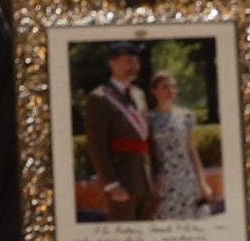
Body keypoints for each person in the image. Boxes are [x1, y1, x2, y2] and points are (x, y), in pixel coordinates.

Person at [83, 43, 155, 217]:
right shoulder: (99, 98)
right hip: (121, 181)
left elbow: (147, 139)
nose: (134, 66)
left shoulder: (139, 94)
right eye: (128, 61)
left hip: (145, 179)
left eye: (136, 61)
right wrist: (111, 183)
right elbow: (96, 145)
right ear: (112, 63)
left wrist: (156, 175)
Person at [145, 69, 208, 218]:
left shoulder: (186, 116)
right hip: (163, 183)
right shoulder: (149, 119)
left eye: (173, 87)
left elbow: (193, 151)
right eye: (165, 87)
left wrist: (202, 183)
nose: (170, 91)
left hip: (186, 180)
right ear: (154, 91)